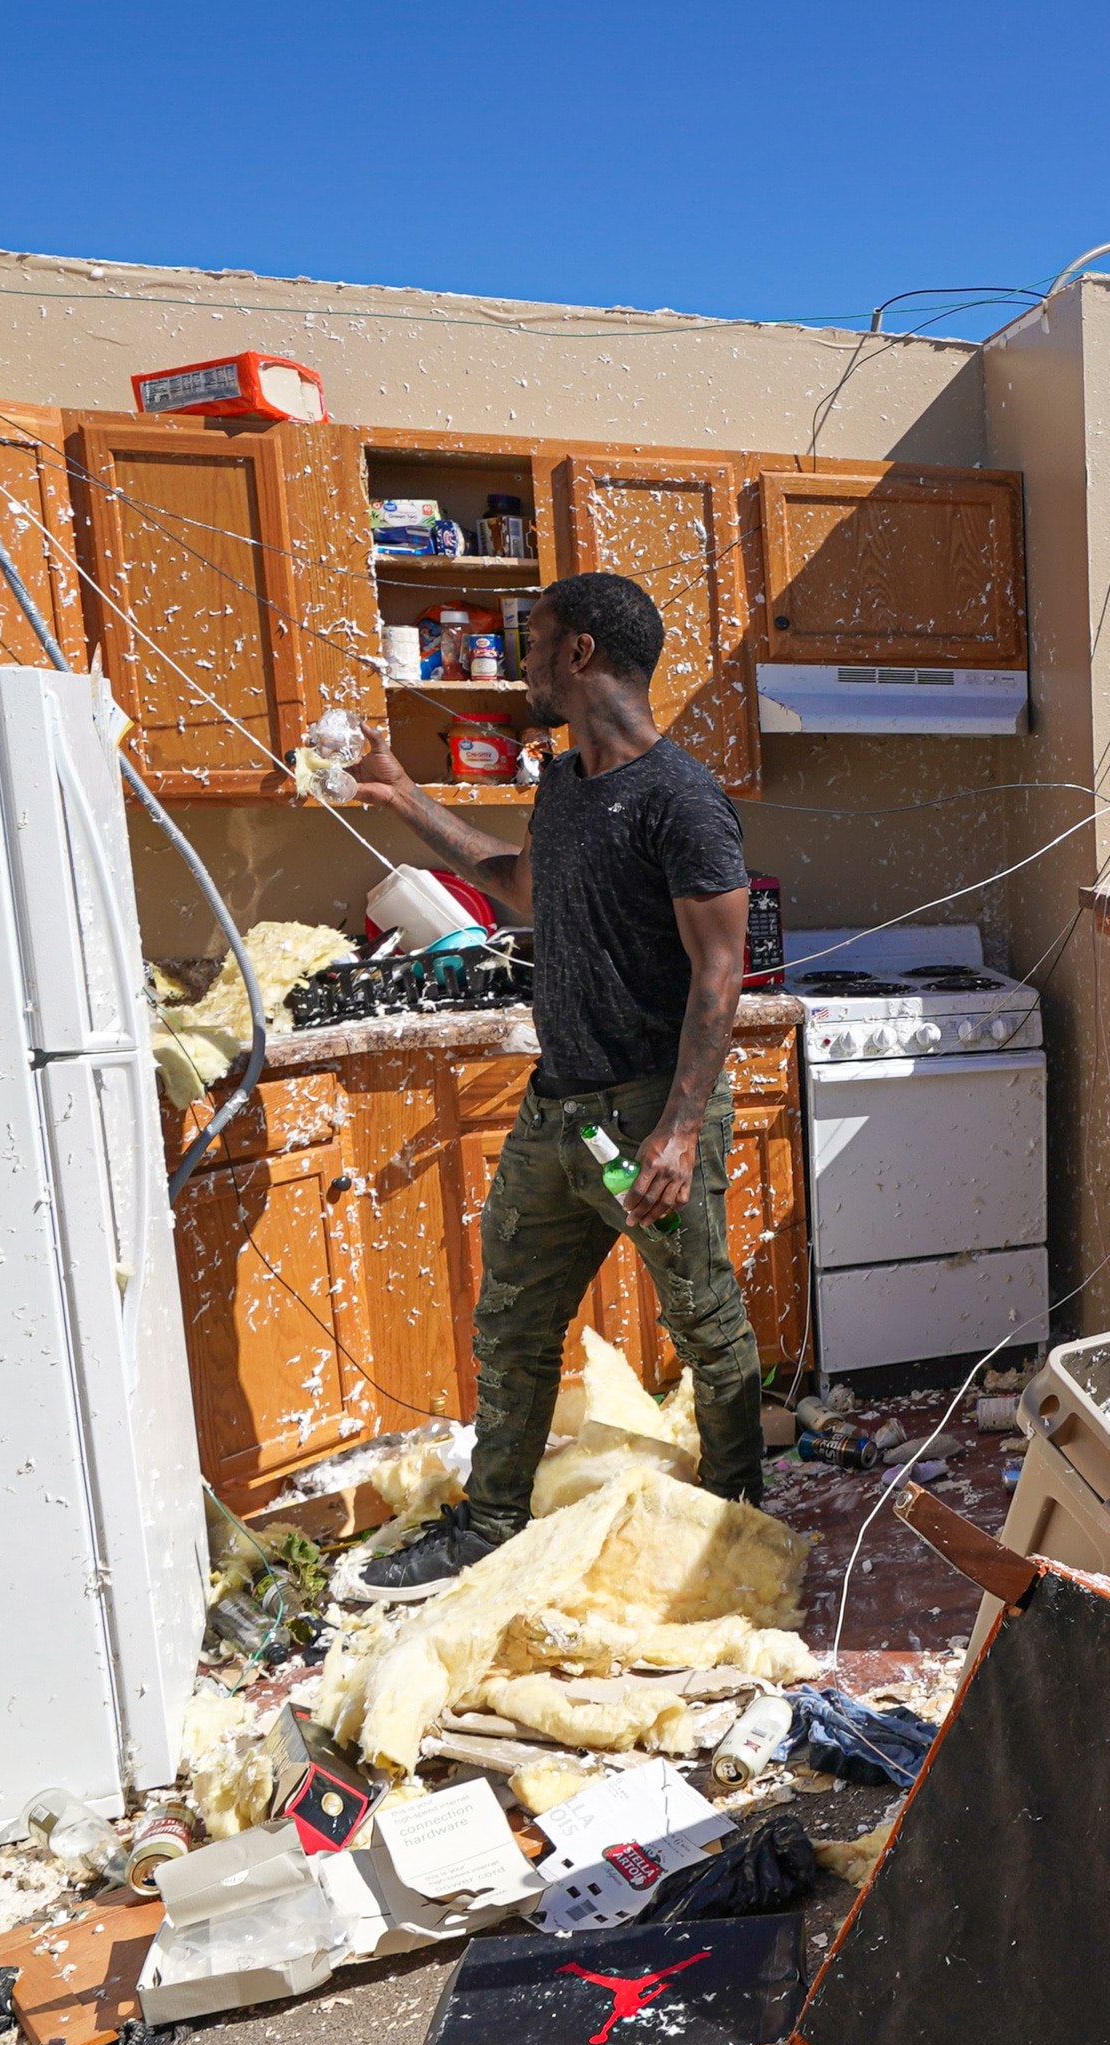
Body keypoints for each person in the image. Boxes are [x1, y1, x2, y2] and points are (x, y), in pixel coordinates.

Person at [350, 571, 763, 1589]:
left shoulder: (683, 799)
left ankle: (739, 1523)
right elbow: (523, 882)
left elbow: (722, 969)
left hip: (643, 1122)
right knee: (513, 1324)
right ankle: (491, 1518)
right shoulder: (566, 784)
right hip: (561, 1113)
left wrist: (676, 1132)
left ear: (579, 653)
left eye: (533, 642)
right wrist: (404, 798)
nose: (523, 662)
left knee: (704, 1321)